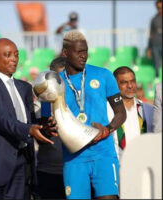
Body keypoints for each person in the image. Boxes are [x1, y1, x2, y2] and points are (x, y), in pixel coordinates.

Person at [0, 38, 57, 199]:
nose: (14, 59)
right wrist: (28, 129)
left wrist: (43, 126)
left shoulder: (24, 87)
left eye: (16, 55)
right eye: (8, 55)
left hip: (21, 164)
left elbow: (28, 121)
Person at [41, 30, 126, 199]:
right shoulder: (53, 83)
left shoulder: (103, 75)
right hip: (74, 158)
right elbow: (45, 123)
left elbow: (121, 113)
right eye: (79, 52)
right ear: (65, 53)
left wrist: (108, 129)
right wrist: (48, 128)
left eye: (85, 51)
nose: (84, 56)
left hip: (104, 153)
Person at [35, 56, 67, 199]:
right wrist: (46, 128)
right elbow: (42, 138)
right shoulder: (44, 104)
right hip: (49, 172)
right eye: (60, 78)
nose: (64, 82)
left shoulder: (83, 103)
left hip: (77, 171)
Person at [108, 66, 153, 159]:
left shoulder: (146, 110)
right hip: (116, 166)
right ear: (114, 85)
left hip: (142, 165)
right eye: (124, 82)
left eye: (133, 81)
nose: (130, 85)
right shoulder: (106, 110)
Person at [147, 0, 162, 77]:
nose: (159, 9)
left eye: (161, 7)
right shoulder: (154, 19)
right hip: (155, 45)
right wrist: (149, 48)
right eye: (158, 8)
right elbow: (151, 34)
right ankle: (157, 79)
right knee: (156, 64)